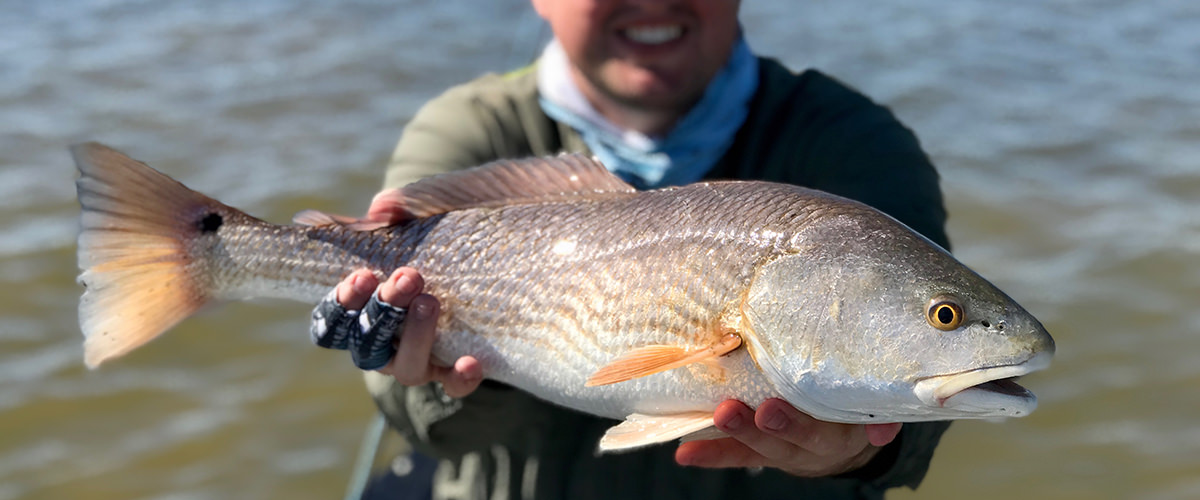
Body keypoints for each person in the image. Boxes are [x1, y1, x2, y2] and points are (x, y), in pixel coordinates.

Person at [314, 1, 952, 498]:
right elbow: (422, 421)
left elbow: (931, 377)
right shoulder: (471, 128)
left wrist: (871, 446)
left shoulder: (856, 143)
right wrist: (426, 370)